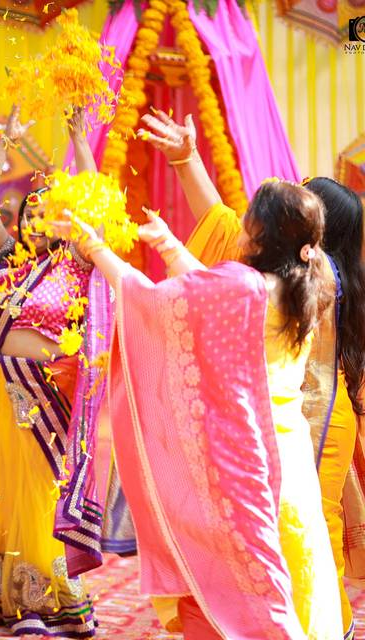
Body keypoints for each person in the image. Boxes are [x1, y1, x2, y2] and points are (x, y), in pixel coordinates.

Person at [53, 178, 342, 637]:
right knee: (293, 567)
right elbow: (203, 296)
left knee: (238, 581)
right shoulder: (310, 283)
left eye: (248, 225)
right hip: (290, 458)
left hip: (241, 458)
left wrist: (95, 248)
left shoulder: (243, 287)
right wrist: (169, 246)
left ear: (260, 235)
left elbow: (154, 302)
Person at [139, 108, 365, 638]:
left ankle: (323, 626)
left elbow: (221, 245)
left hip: (311, 426)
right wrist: (186, 158)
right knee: (275, 532)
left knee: (308, 534)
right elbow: (222, 227)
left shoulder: (318, 283)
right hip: (283, 420)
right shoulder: (293, 276)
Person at [0, 105, 109, 636]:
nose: (37, 218)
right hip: (5, 389)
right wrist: (4, 144)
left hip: (52, 391)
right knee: (9, 488)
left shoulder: (78, 261)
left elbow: (96, 205)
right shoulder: (6, 262)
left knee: (47, 489)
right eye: (30, 211)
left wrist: (78, 137)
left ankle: (56, 596)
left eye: (50, 210)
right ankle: (21, 600)